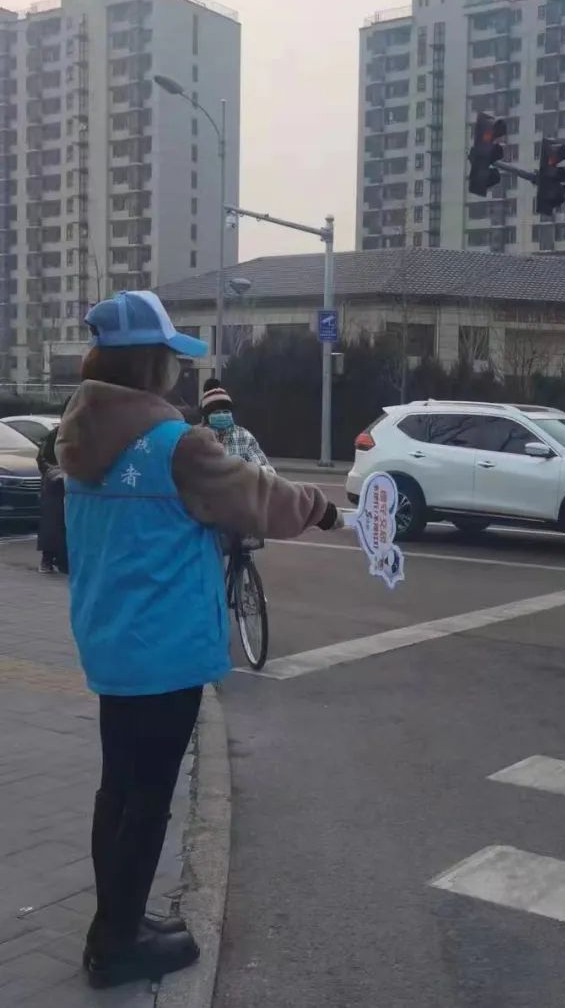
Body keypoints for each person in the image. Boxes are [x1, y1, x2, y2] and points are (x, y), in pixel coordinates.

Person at [57, 290, 342, 989]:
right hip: (164, 648)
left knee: (118, 789)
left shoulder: (80, 436)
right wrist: (322, 508)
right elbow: (259, 497)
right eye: (170, 360)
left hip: (111, 641)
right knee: (146, 799)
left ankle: (117, 919)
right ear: (151, 365)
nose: (177, 373)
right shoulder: (177, 445)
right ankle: (115, 945)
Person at [199, 381, 269, 467]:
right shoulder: (198, 438)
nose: (222, 415)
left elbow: (264, 467)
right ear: (207, 417)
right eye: (217, 412)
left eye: (226, 412)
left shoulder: (243, 436)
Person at [36, 412, 68, 574]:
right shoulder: (55, 434)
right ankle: (47, 559)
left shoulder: (85, 433)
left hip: (75, 486)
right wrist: (55, 472)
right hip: (55, 487)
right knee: (52, 524)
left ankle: (64, 562)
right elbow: (42, 458)